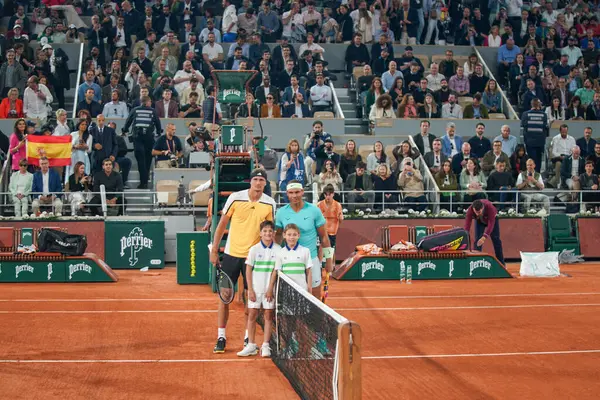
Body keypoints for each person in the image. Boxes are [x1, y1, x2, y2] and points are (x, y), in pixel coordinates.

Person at [210, 169, 277, 354]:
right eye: (255, 179)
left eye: (261, 180)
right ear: (251, 181)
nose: (258, 183)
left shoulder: (269, 203)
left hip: (254, 259)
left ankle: (249, 337)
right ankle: (221, 336)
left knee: (251, 300)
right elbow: (222, 224)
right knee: (225, 296)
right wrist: (214, 250)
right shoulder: (235, 198)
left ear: (265, 184)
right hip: (231, 255)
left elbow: (270, 231)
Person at [275, 180, 333, 300]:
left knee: (315, 296)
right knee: (290, 296)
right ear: (287, 193)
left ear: (302, 192)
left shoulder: (314, 211)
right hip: (289, 260)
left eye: (297, 192)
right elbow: (279, 236)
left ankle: (316, 318)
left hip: (311, 259)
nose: (294, 195)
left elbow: (324, 237)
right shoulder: (281, 213)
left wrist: (329, 260)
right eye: (291, 193)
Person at [237, 221, 281, 358]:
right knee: (252, 315)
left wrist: (270, 289)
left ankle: (266, 345)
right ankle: (251, 345)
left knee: (268, 315)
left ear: (273, 233)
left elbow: (275, 271)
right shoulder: (254, 249)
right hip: (255, 289)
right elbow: (248, 270)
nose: (268, 233)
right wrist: (250, 289)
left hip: (270, 291)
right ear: (260, 233)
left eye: (270, 231)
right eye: (265, 231)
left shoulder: (278, 250)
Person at [122, 96, 162, 189]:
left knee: (141, 161)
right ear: (148, 102)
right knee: (147, 161)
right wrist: (159, 132)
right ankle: (145, 182)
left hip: (138, 138)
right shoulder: (152, 111)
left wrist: (124, 130)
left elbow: (128, 121)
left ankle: (143, 182)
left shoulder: (135, 110)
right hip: (149, 138)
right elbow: (157, 123)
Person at [464, 199, 504, 265]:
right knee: (477, 241)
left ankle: (501, 263)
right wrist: (465, 234)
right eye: (475, 212)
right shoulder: (470, 210)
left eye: (479, 212)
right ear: (473, 208)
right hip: (479, 221)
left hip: (492, 219)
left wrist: (484, 237)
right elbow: (467, 224)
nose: (477, 214)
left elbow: (491, 223)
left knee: (496, 240)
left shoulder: (490, 207)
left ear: (482, 208)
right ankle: (475, 262)